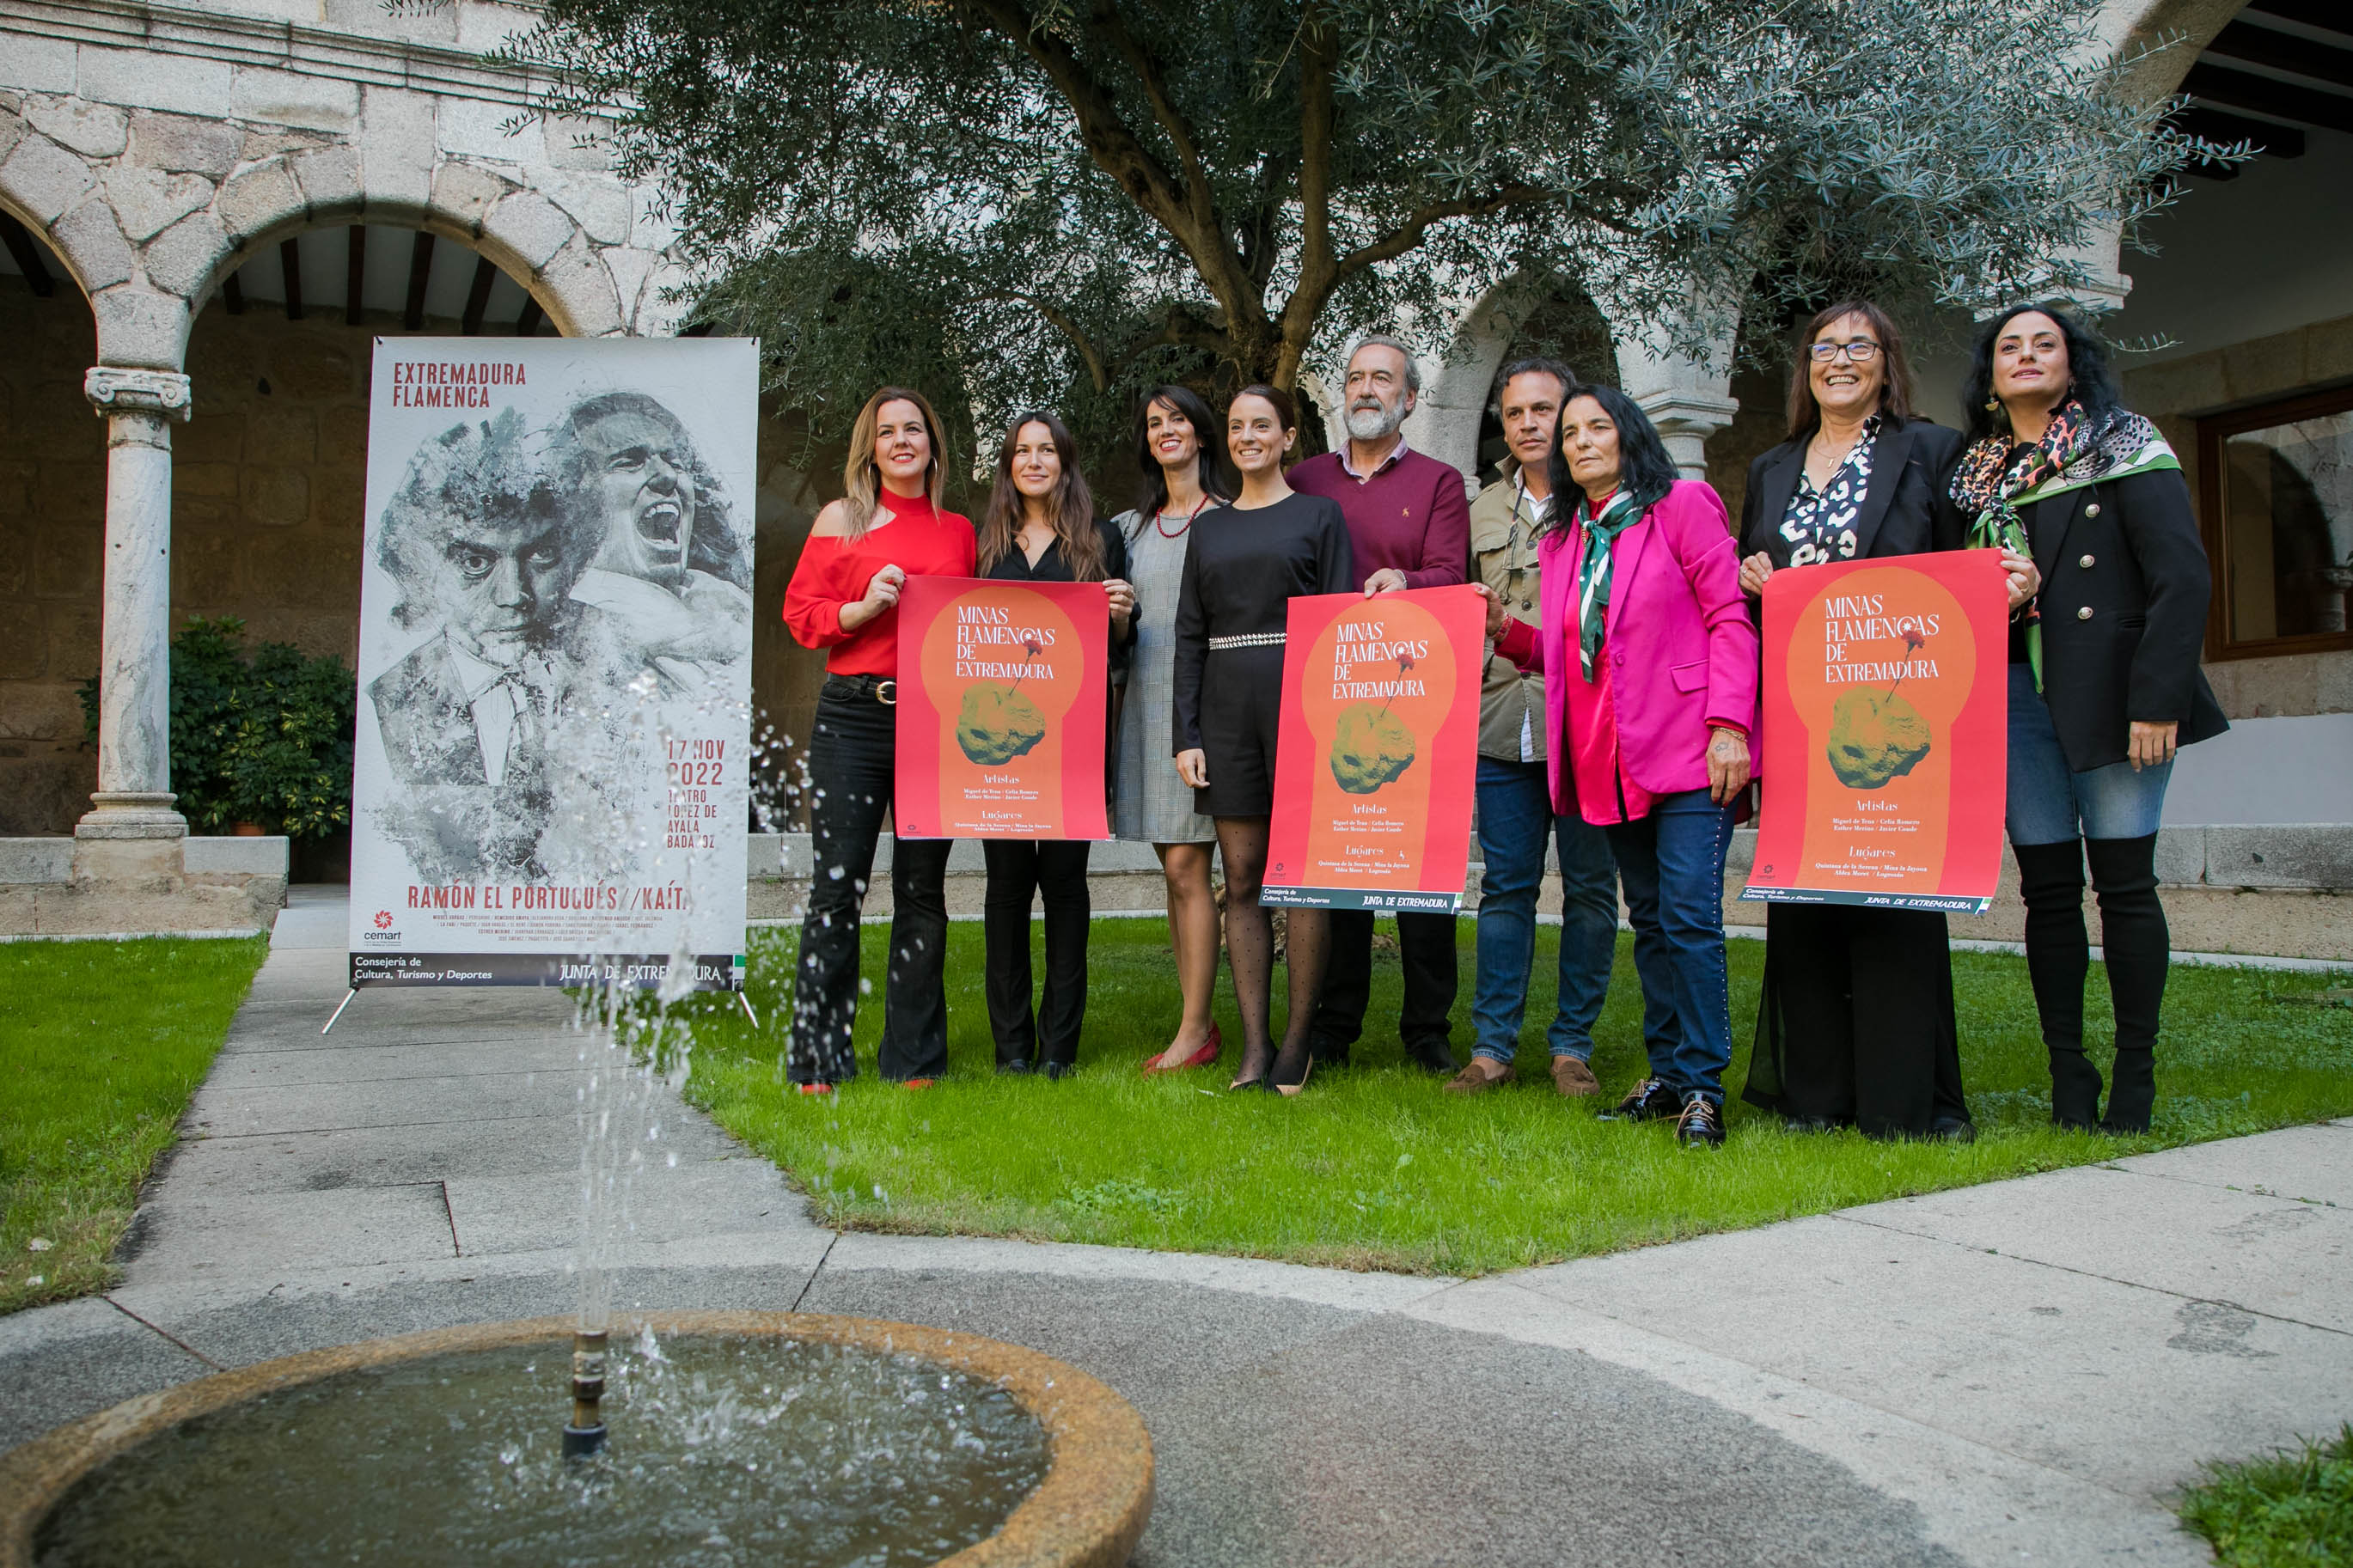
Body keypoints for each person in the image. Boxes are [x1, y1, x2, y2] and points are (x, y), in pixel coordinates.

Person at [1733, 300, 2040, 1142]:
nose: (1838, 359)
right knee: (1806, 897)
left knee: (1894, 900)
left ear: (1884, 363)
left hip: (1901, 711)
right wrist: (1751, 573)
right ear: (1803, 367)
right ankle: (1816, 1095)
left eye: (1857, 347)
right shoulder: (1770, 466)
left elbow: (1967, 568)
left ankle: (1904, 1104)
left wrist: (2006, 585)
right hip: (1802, 717)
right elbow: (1746, 576)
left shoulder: (1930, 450)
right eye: (1823, 347)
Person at [1950, 302, 2228, 1133]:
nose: (2027, 355)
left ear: (2076, 363)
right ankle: (2068, 1075)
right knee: (2048, 893)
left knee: (2127, 887)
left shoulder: (2125, 443)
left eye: (2046, 343)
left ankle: (2135, 1077)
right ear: (1991, 376)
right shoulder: (1973, 476)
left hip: (2117, 701)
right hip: (2011, 702)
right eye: (2010, 346)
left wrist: (2158, 701)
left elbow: (2182, 577)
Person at [1483, 382, 1757, 1147]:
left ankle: (1704, 1085)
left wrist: (1730, 724)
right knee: (1653, 921)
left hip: (1692, 748)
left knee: (1690, 918)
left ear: (1627, 433)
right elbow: (1574, 658)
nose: (1580, 441)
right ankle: (1667, 1074)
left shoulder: (1683, 507)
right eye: (1569, 433)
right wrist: (1508, 630)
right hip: (1610, 756)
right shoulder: (1565, 540)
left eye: (1596, 426)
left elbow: (1729, 618)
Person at [780, 387, 977, 1090]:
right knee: (838, 887)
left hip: (932, 719)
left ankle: (914, 1060)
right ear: (871, 447)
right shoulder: (843, 518)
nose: (902, 440)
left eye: (914, 429)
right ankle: (818, 1058)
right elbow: (800, 614)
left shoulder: (959, 531)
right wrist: (860, 610)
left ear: (932, 443)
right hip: (854, 716)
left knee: (922, 889)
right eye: (887, 431)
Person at [1287, 333, 1472, 1075]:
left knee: (1420, 861)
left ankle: (1427, 1028)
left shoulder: (1439, 482)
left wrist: (1409, 583)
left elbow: (1452, 573)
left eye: (1382, 379)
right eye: (1356, 378)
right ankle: (1334, 1026)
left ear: (1409, 398)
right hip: (1326, 693)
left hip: (1412, 690)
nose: (1366, 389)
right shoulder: (1303, 479)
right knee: (1340, 860)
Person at [1173, 386, 1354, 1095]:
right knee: (1242, 879)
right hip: (1225, 713)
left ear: (1287, 437)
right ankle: (1255, 1046)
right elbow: (1189, 634)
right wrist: (1188, 733)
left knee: (1303, 880)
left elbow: (1341, 624)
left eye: (1262, 425)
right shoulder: (1208, 529)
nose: (1248, 436)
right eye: (1237, 425)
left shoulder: (1320, 515)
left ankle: (1298, 1044)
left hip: (1303, 709)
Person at [1449, 357, 1622, 1100]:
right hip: (1497, 724)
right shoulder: (1480, 509)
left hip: (1583, 726)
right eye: (1514, 412)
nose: (1527, 424)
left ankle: (1571, 1046)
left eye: (1542, 410)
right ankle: (1492, 1049)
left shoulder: (1602, 508)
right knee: (1506, 886)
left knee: (1588, 887)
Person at [370, 408, 629, 883]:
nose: (514, 595)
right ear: (421, 568)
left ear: (573, 553)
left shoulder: (621, 659)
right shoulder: (395, 697)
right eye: (474, 561)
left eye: (542, 555)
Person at [975, 411, 1139, 1078]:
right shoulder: (985, 546)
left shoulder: (1101, 541)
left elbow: (1123, 647)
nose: (1035, 460)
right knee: (1007, 887)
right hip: (999, 747)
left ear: (1066, 463)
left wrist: (1123, 618)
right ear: (1009, 465)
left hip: (1073, 734)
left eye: (1048, 450)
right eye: (1023, 450)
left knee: (1066, 885)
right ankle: (1011, 1046)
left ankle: (1058, 1048)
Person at [1113, 386, 1235, 1073]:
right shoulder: (1128, 528)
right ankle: (1198, 1019)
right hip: (1147, 708)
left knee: (1193, 865)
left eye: (1178, 419)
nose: (1166, 430)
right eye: (1155, 422)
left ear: (1201, 432)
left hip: (1210, 710)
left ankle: (1196, 1031)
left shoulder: (1231, 518)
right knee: (1176, 868)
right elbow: (1117, 636)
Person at [553, 391, 753, 691]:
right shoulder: (567, 639)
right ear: (576, 497)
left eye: (675, 461)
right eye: (628, 462)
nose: (667, 475)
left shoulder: (733, 608)